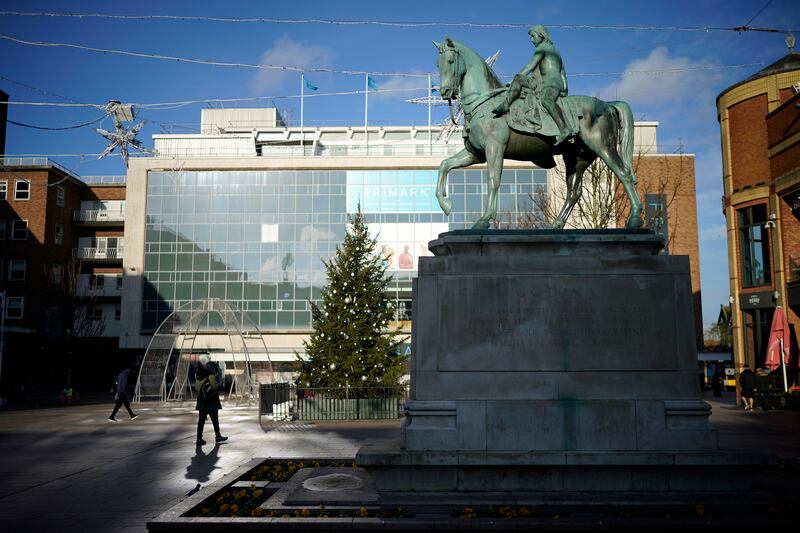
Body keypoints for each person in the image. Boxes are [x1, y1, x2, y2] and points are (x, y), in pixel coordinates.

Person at [492, 25, 571, 145]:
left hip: (552, 83)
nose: (532, 40)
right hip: (542, 83)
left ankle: (565, 128)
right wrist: (565, 88)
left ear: (541, 35)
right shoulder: (557, 52)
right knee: (519, 79)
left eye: (533, 37)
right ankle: (506, 104)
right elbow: (563, 73)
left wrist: (562, 89)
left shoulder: (543, 47)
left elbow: (530, 66)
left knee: (546, 100)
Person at [195, 356, 227, 445]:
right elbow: (215, 387)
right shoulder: (210, 376)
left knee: (201, 421)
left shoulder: (198, 376)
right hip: (211, 403)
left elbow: (197, 390)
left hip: (201, 403)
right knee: (215, 420)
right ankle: (218, 436)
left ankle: (199, 438)